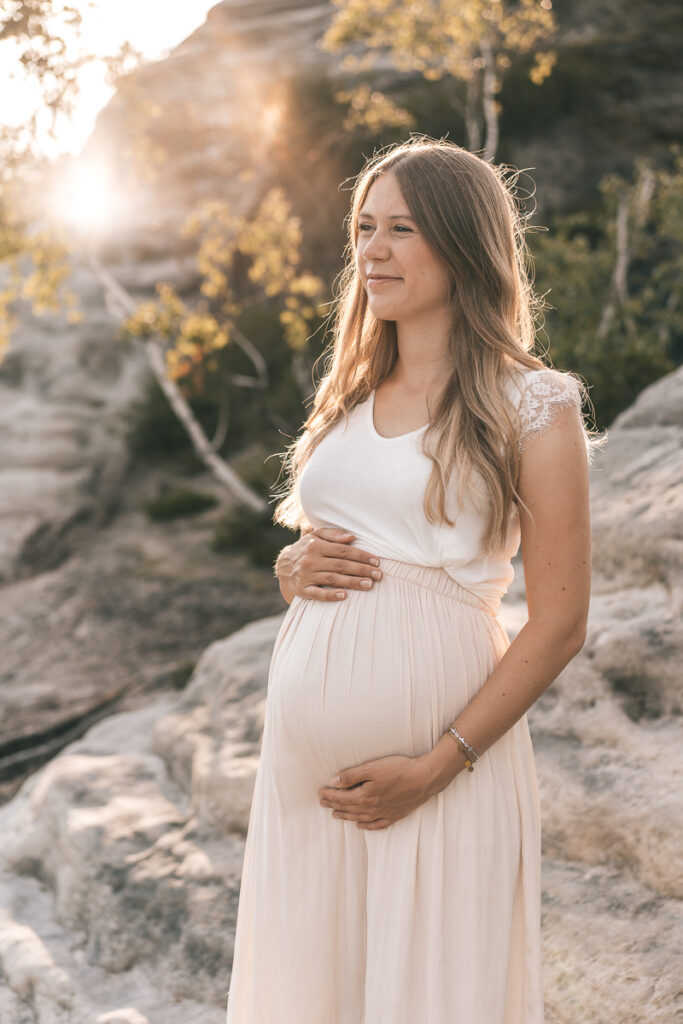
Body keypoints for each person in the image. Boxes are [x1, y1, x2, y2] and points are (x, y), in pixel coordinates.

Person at [225, 136, 596, 1023]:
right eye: (363, 228)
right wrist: (290, 565)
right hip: (304, 785)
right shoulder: (351, 393)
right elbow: (331, 546)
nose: (372, 251)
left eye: (402, 228)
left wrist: (434, 767)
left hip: (439, 769)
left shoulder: (533, 406)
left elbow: (560, 622)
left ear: (464, 245)